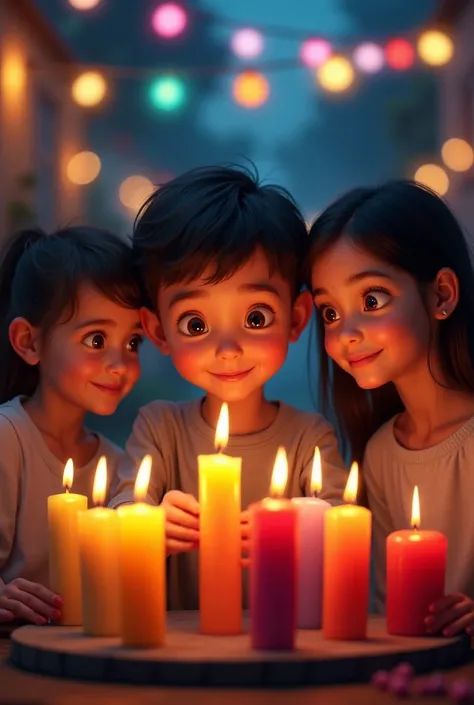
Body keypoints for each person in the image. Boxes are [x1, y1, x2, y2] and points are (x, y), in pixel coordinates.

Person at [109, 165, 348, 609]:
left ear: (295, 318)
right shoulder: (159, 429)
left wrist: (302, 526)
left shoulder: (310, 438)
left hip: (281, 651)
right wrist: (149, 525)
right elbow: (122, 510)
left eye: (256, 317)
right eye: (195, 324)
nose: (228, 348)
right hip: (179, 653)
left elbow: (343, 527)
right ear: (158, 331)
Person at [308, 179, 474, 637]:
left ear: (441, 295)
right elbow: (384, 608)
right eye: (330, 312)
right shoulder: (381, 453)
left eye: (372, 300)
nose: (346, 334)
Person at [0, 226, 143, 625]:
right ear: (29, 342)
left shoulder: (116, 465)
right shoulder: (8, 439)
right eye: (96, 340)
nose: (120, 364)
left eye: (133, 342)